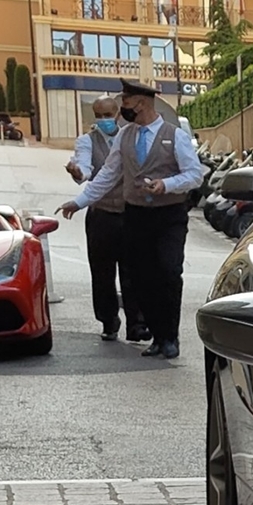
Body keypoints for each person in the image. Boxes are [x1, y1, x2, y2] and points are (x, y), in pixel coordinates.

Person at [60, 80, 202, 359]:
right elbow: (108, 174)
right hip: (136, 214)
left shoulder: (174, 136)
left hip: (169, 216)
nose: (122, 108)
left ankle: (170, 337)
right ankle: (157, 337)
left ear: (142, 103)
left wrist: (167, 184)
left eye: (125, 102)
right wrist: (78, 202)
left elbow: (195, 175)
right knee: (141, 277)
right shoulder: (126, 137)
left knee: (168, 272)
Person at [67, 95, 141, 342]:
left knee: (133, 272)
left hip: (130, 214)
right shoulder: (86, 141)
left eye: (107, 115)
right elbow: (85, 169)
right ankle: (109, 321)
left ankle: (136, 324)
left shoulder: (133, 135)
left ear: (118, 114)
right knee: (102, 273)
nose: (103, 120)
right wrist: (78, 172)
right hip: (101, 215)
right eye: (98, 116)